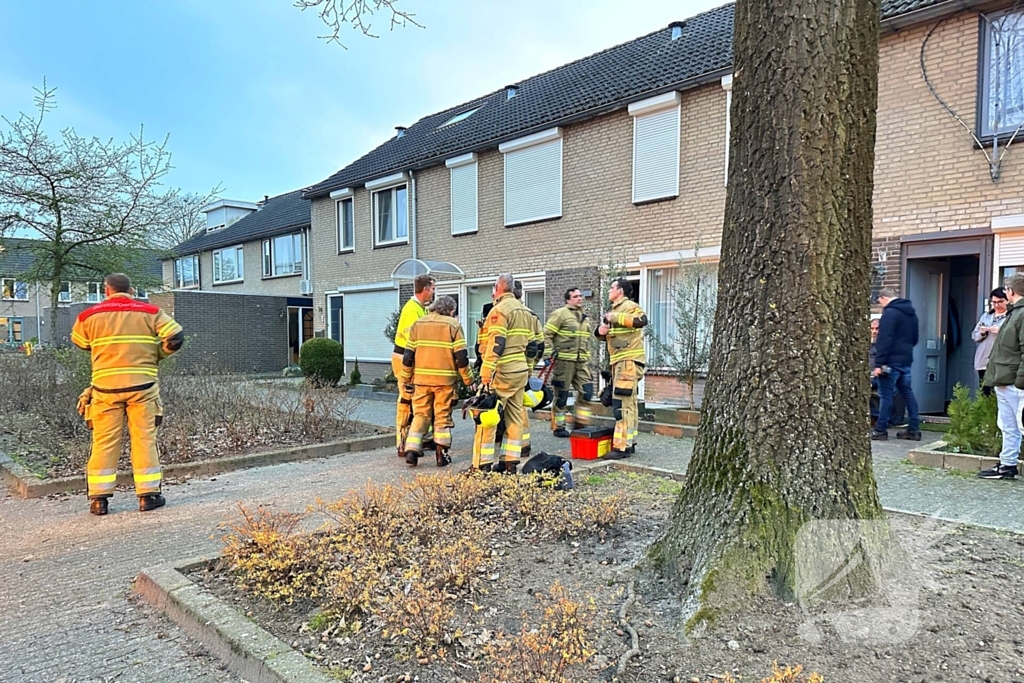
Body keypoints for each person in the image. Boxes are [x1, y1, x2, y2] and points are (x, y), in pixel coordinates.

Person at [70, 273, 184, 516]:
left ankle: (99, 500)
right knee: (144, 440)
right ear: (131, 290)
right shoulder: (150, 312)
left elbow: (80, 342)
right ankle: (148, 496)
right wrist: (157, 354)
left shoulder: (88, 316)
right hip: (143, 387)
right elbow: (175, 338)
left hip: (104, 389)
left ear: (106, 290)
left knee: (104, 442)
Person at [472, 274, 543, 473]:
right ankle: (510, 462)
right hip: (520, 371)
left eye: (494, 287)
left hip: (501, 372)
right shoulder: (527, 312)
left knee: (486, 414)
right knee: (515, 416)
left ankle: (481, 465)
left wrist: (486, 374)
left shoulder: (499, 311)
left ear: (498, 287)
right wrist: (529, 367)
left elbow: (497, 344)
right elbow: (536, 345)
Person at [399, 296, 473, 468]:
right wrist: (469, 380)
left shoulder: (418, 324)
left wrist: (406, 378)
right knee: (442, 417)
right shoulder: (453, 325)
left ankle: (411, 450)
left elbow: (408, 355)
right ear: (451, 310)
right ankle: (442, 455)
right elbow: (461, 357)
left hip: (421, 381)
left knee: (420, 415)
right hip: (445, 382)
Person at [595, 278, 648, 458]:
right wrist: (600, 332)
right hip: (621, 362)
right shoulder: (615, 310)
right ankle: (629, 443)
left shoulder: (629, 306)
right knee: (629, 404)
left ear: (621, 291)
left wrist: (614, 318)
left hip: (628, 361)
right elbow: (611, 335)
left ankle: (620, 447)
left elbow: (641, 320)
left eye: (612, 287)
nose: (609, 290)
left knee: (621, 404)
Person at [980, 274, 1024, 480]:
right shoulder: (1013, 313)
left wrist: (1021, 382)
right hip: (1004, 379)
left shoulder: (1021, 314)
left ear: (1011, 292)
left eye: (1006, 290)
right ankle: (1008, 464)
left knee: (1021, 424)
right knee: (1007, 425)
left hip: (1016, 382)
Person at [392, 274, 435, 459]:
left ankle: (420, 439)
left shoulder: (419, 308)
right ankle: (403, 444)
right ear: (425, 289)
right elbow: (412, 340)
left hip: (410, 360)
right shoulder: (412, 310)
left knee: (417, 401)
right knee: (406, 402)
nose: (434, 292)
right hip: (405, 360)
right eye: (433, 288)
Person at [871, 288, 920, 441]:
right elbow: (915, 338)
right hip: (905, 360)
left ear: (884, 298)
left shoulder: (890, 313)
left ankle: (880, 429)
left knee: (886, 396)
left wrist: (879, 363)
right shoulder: (911, 314)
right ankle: (913, 429)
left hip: (890, 361)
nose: (881, 305)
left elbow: (884, 339)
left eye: (880, 302)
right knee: (908, 394)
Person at [544, 287, 594, 437]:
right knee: (562, 396)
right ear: (568, 300)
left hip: (581, 362)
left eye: (580, 296)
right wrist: (547, 354)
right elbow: (546, 334)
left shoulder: (584, 318)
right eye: (576, 296)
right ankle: (558, 426)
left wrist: (587, 356)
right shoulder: (560, 314)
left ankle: (580, 424)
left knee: (587, 392)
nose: (579, 298)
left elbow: (587, 341)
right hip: (564, 362)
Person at [971, 287, 1009, 397]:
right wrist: (982, 332)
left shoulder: (1011, 316)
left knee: (1000, 393)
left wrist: (1000, 331)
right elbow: (974, 335)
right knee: (985, 391)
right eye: (994, 302)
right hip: (984, 360)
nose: (997, 305)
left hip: (1001, 360)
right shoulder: (986, 316)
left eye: (1000, 302)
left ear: (1007, 301)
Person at [869, 317, 905, 426]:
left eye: (877, 328)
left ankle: (894, 420)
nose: (874, 331)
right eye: (872, 329)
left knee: (897, 388)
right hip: (868, 376)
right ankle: (877, 417)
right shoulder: (866, 345)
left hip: (883, 375)